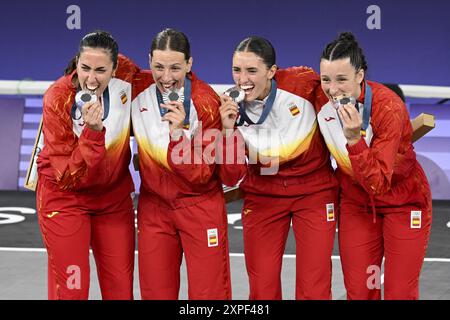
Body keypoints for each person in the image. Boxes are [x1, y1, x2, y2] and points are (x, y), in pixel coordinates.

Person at [218, 36, 338, 300]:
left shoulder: (302, 83)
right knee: (262, 286)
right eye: (236, 70)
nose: (242, 79)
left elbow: (339, 94)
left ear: (272, 71)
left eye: (252, 71)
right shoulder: (228, 105)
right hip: (264, 195)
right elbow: (232, 175)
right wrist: (227, 131)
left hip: (314, 193)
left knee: (314, 283)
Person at [316, 31, 432, 300]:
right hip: (357, 205)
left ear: (360, 75)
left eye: (342, 79)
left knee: (399, 293)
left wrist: (355, 140)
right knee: (360, 291)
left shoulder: (388, 108)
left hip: (403, 203)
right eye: (325, 79)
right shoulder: (321, 97)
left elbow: (378, 182)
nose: (332, 89)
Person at [36, 30, 139, 300]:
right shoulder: (57, 98)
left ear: (115, 68)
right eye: (85, 68)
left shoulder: (127, 75)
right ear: (77, 63)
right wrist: (93, 133)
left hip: (113, 200)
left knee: (120, 290)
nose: (91, 79)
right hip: (65, 198)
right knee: (73, 290)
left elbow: (164, 80)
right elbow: (69, 177)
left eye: (101, 70)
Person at [131, 28, 231, 300]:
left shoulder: (206, 102)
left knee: (208, 296)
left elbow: (200, 174)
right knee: (155, 293)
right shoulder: (136, 88)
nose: (166, 77)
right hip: (154, 208)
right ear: (149, 60)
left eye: (175, 67)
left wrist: (178, 137)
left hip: (199, 206)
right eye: (158, 66)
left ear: (189, 64)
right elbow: (102, 62)